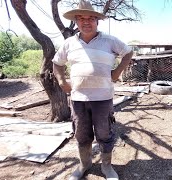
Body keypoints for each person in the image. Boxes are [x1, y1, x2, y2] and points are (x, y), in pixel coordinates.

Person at [52, 0, 133, 179]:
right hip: (78, 99)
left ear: (97, 20)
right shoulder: (69, 43)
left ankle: (106, 167)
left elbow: (128, 52)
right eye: (81, 18)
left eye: (90, 18)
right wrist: (61, 81)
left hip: (103, 99)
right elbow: (57, 63)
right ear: (76, 21)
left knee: (105, 134)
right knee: (81, 135)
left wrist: (117, 71)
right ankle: (84, 164)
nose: (86, 22)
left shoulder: (110, 41)